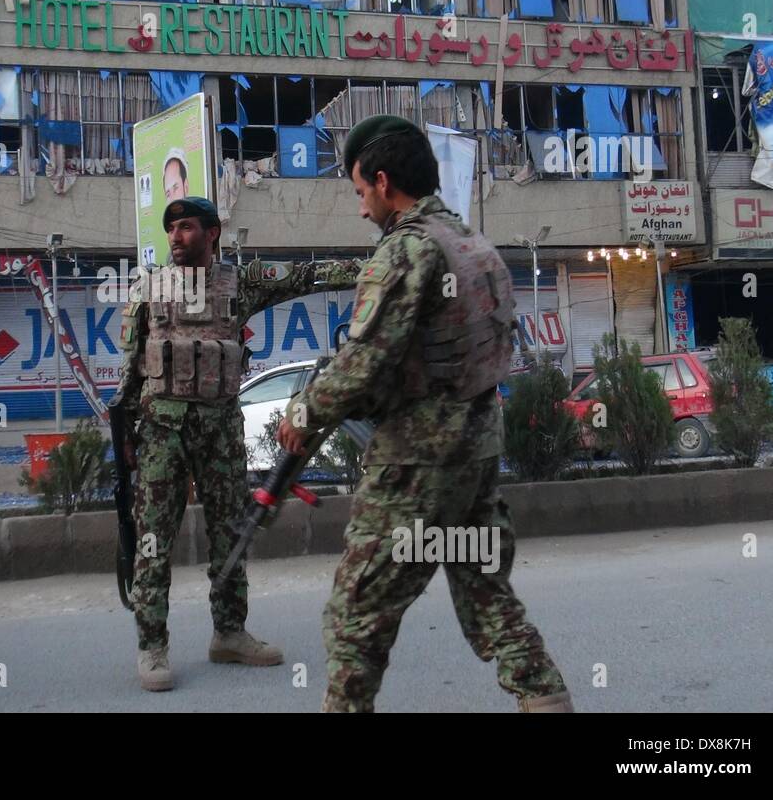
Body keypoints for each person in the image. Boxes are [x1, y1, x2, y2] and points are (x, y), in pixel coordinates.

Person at [275, 115, 572, 713]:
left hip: (417, 463)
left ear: (384, 183)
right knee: (488, 597)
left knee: (356, 614)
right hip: (477, 456)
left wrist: (303, 415)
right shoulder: (475, 245)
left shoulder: (409, 248)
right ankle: (549, 701)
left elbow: (364, 363)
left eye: (361, 192)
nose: (361, 209)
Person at [114, 196, 362, 692]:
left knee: (230, 532)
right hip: (161, 429)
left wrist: (375, 268)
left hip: (220, 429)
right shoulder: (149, 287)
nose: (177, 239)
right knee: (153, 540)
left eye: (186, 228)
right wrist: (124, 433)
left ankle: (229, 632)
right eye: (171, 231)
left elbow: (307, 277)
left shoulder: (240, 282)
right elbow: (131, 364)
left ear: (213, 234)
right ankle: (152, 645)